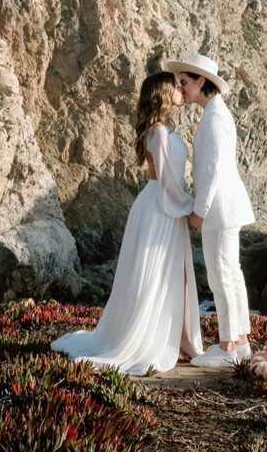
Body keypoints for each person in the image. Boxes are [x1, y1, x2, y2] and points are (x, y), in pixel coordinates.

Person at [51, 72, 203, 374]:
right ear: (162, 94)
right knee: (162, 275)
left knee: (174, 274)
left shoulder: (162, 128)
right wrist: (192, 207)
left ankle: (183, 339)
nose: (179, 89)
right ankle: (169, 339)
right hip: (161, 207)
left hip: (159, 206)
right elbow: (169, 182)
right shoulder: (159, 132)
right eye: (174, 86)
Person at [166, 53, 255, 367]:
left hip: (219, 209)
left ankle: (228, 347)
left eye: (186, 82)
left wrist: (200, 210)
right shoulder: (215, 113)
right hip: (226, 207)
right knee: (231, 274)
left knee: (221, 277)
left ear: (202, 81)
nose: (183, 89)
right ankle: (240, 344)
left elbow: (212, 169)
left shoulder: (215, 116)